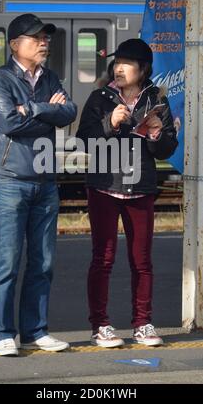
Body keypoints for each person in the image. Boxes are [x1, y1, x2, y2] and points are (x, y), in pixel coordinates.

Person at [0, 13, 77, 356]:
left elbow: (69, 112)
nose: (44, 42)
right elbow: (8, 123)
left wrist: (32, 109)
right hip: (10, 181)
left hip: (45, 182)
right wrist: (45, 113)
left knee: (43, 262)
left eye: (45, 38)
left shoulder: (50, 77)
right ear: (14, 45)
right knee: (7, 261)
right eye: (36, 37)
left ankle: (36, 330)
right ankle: (2, 333)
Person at [76, 38, 178, 348]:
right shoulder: (100, 98)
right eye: (117, 62)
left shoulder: (155, 100)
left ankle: (142, 323)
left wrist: (158, 133)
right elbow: (82, 140)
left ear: (143, 69)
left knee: (142, 260)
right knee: (103, 259)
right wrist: (109, 122)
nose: (119, 68)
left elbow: (167, 149)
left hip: (141, 188)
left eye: (127, 64)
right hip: (104, 186)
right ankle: (100, 325)